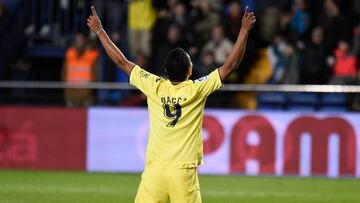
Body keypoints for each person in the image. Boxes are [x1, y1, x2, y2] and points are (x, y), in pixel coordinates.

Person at [87, 5, 255, 203]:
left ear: (166, 71)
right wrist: (244, 30)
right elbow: (230, 66)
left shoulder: (154, 85)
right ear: (189, 70)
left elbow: (122, 62)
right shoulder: (196, 89)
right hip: (182, 173)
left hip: (155, 172)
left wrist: (99, 31)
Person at [63, 32, 99, 107]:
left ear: (85, 41)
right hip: (71, 94)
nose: (79, 42)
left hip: (86, 95)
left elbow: (96, 74)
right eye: (77, 40)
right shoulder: (70, 54)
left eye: (81, 40)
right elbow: (64, 73)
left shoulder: (91, 54)